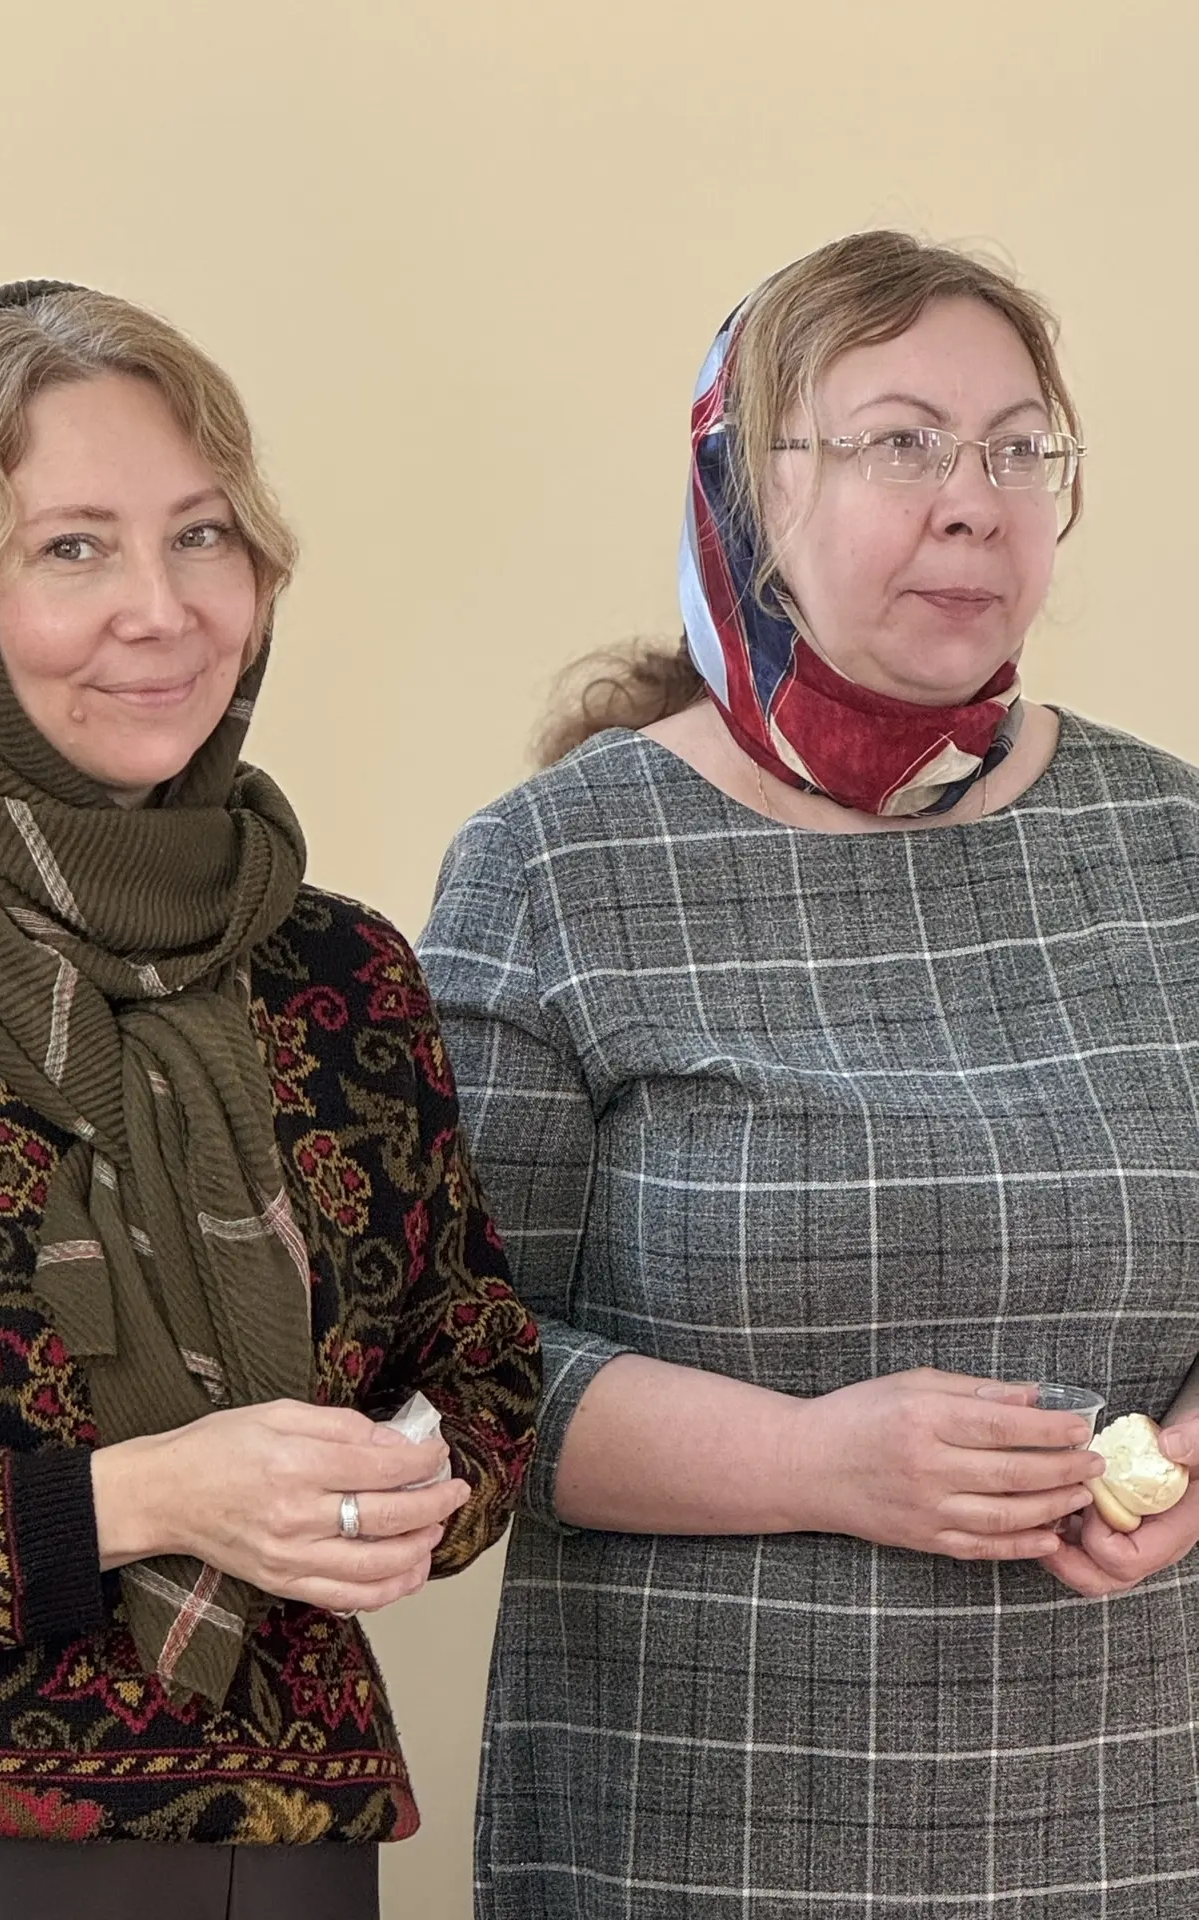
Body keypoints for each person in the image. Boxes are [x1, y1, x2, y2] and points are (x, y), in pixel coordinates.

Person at [419, 229, 1199, 1917]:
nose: (974, 502)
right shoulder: (559, 868)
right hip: (697, 1832)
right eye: (901, 442)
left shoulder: (1172, 843)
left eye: (1018, 449)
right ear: (746, 489)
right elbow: (452, 1372)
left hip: (1138, 1819)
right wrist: (812, 1462)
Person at [0, 280, 539, 1920]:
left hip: (294, 1838)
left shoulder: (341, 976)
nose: (164, 611)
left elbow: (477, 1361)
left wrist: (410, 1490)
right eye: (72, 547)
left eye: (202, 536)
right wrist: (151, 1499)